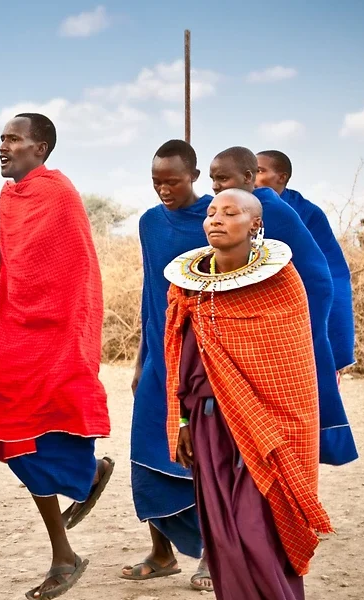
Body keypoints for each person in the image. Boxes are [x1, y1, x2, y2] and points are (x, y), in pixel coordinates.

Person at [0, 113, 114, 599]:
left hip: (57, 327)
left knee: (33, 429)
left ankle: (65, 549)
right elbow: (12, 266)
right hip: (18, 321)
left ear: (41, 148)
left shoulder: (57, 193)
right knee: (1, 415)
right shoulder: (9, 197)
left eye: (13, 139)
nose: (3, 146)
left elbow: (68, 270)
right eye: (1, 138)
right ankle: (86, 483)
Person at [165, 188, 333, 599]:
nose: (216, 219)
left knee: (256, 527)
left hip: (266, 429)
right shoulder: (188, 289)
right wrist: (182, 421)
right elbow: (180, 363)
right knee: (222, 531)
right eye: (211, 212)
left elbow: (290, 370)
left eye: (230, 212)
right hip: (207, 424)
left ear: (255, 223)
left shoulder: (281, 283)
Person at [209, 147, 358, 466]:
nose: (216, 186)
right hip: (253, 331)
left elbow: (325, 277)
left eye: (261, 171)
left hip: (292, 325)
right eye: (213, 180)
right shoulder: (231, 210)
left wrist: (306, 334)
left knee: (291, 415)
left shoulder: (280, 210)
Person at [124, 140, 212, 589]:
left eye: (173, 181)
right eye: (156, 182)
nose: (163, 190)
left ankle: (213, 554)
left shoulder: (217, 217)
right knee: (146, 452)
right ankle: (162, 554)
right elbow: (149, 294)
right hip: (160, 355)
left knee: (205, 457)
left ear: (194, 175)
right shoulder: (150, 223)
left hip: (204, 358)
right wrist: (141, 358)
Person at [255, 150, 356, 371]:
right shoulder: (245, 209)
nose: (252, 177)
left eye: (259, 171)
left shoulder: (306, 212)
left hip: (306, 294)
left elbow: (329, 267)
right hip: (265, 304)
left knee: (315, 365)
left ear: (281, 177)